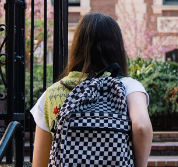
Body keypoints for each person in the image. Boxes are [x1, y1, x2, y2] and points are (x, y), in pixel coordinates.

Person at [30, 12, 153, 167]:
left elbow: (39, 163)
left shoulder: (52, 93)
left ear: (77, 47)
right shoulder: (129, 87)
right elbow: (141, 126)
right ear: (117, 48)